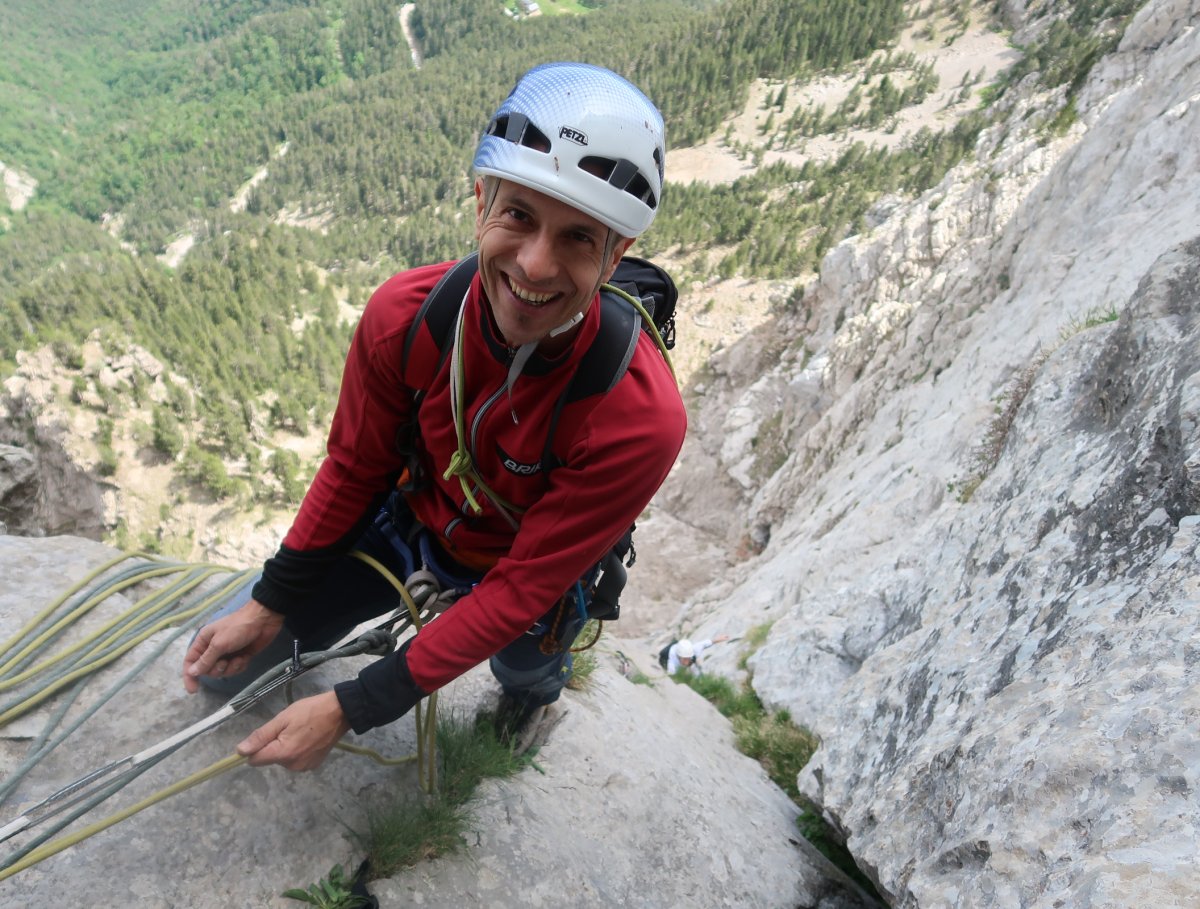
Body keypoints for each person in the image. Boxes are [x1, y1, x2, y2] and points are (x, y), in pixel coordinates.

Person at [181, 62, 686, 769]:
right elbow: (356, 469)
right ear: (482, 203)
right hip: (412, 519)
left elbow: (520, 588)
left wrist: (356, 704)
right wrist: (271, 600)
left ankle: (533, 692)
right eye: (519, 215)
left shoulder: (636, 415)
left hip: (526, 564)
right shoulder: (407, 317)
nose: (537, 266)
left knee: (525, 663)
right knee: (218, 671)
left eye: (578, 237)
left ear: (616, 255)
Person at [665, 634, 729, 675]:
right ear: (679, 657)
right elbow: (671, 677)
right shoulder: (672, 663)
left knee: (696, 663)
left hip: (679, 648)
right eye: (684, 659)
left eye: (688, 658)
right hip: (667, 654)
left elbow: (704, 644)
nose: (687, 661)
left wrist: (720, 639)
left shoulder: (693, 650)